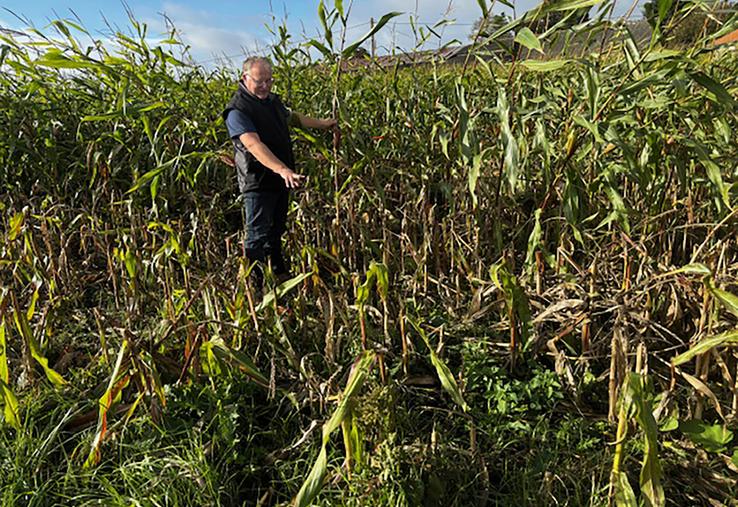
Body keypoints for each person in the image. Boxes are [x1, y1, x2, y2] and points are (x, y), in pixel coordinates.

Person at [223, 56, 337, 287]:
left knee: (277, 229)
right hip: (258, 181)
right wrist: (282, 169)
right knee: (256, 235)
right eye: (259, 81)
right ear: (245, 78)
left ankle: (278, 271)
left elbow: (293, 118)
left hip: (282, 178)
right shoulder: (237, 111)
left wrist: (323, 124)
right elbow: (254, 145)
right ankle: (252, 285)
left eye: (269, 80)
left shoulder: (271, 101)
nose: (265, 86)